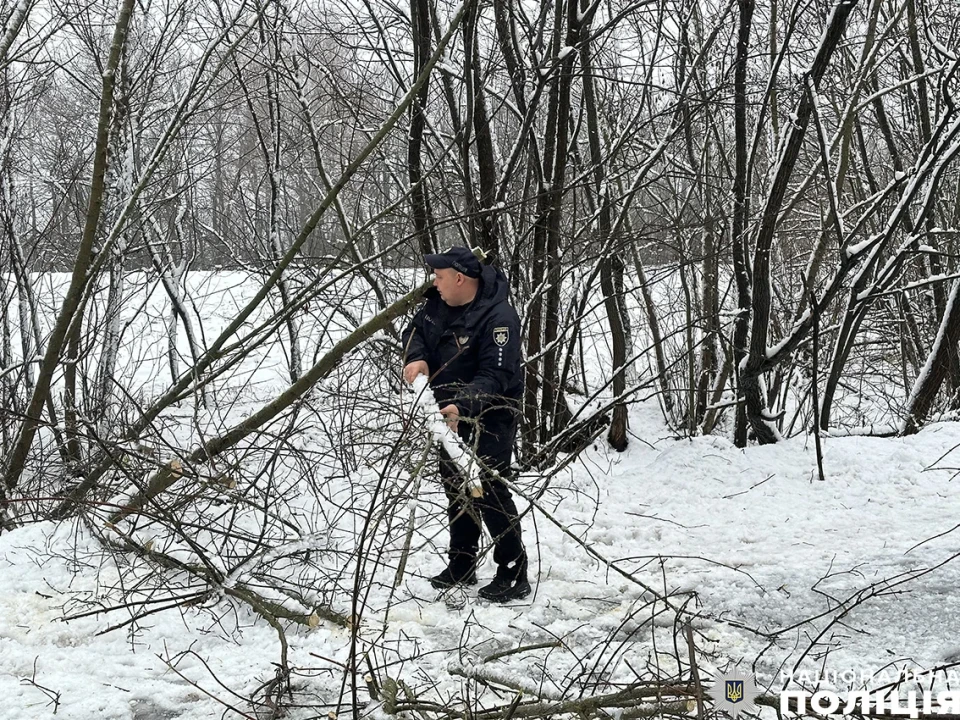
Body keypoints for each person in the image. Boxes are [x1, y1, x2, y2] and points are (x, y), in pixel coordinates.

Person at [401, 246, 530, 603]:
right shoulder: (438, 303)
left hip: (491, 411)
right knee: (456, 485)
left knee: (487, 486)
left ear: (459, 278)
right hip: (447, 413)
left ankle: (513, 571)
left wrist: (463, 404)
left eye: (439, 277)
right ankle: (462, 562)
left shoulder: (499, 316)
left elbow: (498, 374)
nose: (434, 283)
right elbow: (415, 335)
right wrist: (418, 360)